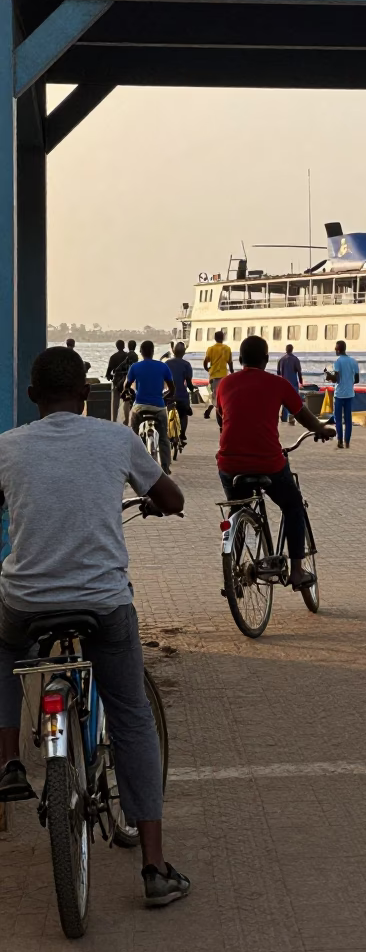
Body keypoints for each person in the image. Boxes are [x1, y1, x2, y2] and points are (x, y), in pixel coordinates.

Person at [0, 346, 190, 907]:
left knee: (4, 648)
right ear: (87, 394)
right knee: (131, 715)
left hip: (26, 602)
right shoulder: (114, 438)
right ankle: (155, 868)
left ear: (32, 397)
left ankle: (9, 760)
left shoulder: (8, 447)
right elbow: (173, 498)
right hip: (105, 606)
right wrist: (153, 502)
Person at [216, 336, 336, 588]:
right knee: (293, 506)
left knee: (238, 510)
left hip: (229, 464)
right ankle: (296, 572)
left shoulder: (225, 384)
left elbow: (222, 418)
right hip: (268, 462)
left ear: (239, 360)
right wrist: (322, 429)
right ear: (266, 359)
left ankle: (234, 571)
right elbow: (303, 416)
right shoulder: (278, 384)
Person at [124, 340, 175, 474]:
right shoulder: (163, 367)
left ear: (141, 352)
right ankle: (165, 467)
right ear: (153, 352)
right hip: (158, 407)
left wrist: (130, 394)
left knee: (133, 433)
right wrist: (164, 397)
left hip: (140, 406)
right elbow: (172, 389)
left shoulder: (135, 367)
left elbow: (126, 387)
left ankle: (132, 463)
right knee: (164, 438)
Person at [325, 340, 360, 449]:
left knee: (338, 419)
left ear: (338, 349)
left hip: (339, 394)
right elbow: (357, 379)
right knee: (348, 420)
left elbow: (336, 379)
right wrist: (349, 383)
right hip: (350, 394)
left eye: (336, 348)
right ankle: (347, 442)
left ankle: (340, 441)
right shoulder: (353, 361)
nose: (335, 350)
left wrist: (328, 375)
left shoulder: (337, 362)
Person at [164, 341, 195, 445]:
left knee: (168, 412)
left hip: (169, 395)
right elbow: (189, 382)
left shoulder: (167, 363)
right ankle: (182, 434)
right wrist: (192, 389)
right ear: (184, 353)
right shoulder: (186, 365)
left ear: (173, 351)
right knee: (184, 414)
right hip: (181, 395)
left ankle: (169, 432)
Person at [203, 331, 233, 419]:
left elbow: (205, 362)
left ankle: (210, 410)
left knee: (215, 395)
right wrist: (232, 372)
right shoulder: (227, 348)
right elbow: (230, 363)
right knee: (222, 396)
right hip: (224, 377)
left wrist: (208, 369)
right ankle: (218, 413)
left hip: (213, 376)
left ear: (215, 338)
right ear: (223, 338)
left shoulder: (211, 349)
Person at [277, 343, 303, 425]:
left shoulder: (281, 359)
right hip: (293, 383)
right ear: (292, 349)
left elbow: (278, 373)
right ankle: (291, 417)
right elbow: (299, 372)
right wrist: (301, 382)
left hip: (284, 383)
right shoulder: (295, 359)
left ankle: (284, 418)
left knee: (284, 400)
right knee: (293, 401)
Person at [105, 339, 127, 422]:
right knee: (127, 401)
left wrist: (109, 376)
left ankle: (113, 420)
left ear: (116, 347)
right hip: (126, 380)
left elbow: (109, 371)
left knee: (115, 402)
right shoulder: (127, 356)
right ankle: (126, 419)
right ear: (124, 346)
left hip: (117, 380)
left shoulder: (113, 357)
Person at [119, 339, 139, 426]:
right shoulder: (136, 356)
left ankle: (127, 420)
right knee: (132, 401)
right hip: (134, 380)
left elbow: (123, 366)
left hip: (128, 380)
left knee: (127, 400)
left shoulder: (128, 356)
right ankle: (130, 419)